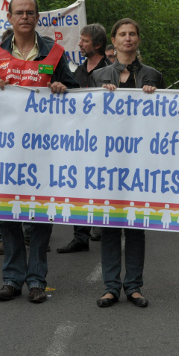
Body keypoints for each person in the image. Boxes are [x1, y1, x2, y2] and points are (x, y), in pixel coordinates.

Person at [0, 0, 78, 303]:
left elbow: (76, 92)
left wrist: (63, 87)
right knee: (8, 217)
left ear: (37, 18)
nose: (25, 16)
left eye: (30, 12)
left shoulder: (55, 53)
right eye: (19, 12)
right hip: (6, 149)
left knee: (40, 218)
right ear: (9, 18)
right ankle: (11, 278)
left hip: (44, 149)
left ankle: (36, 281)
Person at [90, 18, 164, 308]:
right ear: (114, 40)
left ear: (138, 39)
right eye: (122, 34)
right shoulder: (99, 76)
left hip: (140, 162)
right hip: (107, 161)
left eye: (133, 33)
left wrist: (154, 99)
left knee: (135, 227)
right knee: (109, 224)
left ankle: (134, 286)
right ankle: (111, 287)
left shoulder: (153, 75)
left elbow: (165, 117)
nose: (128, 38)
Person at [57, 23, 111, 254]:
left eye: (84, 40)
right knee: (79, 186)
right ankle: (80, 236)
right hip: (80, 139)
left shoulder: (111, 71)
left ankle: (104, 227)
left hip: (105, 140)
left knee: (103, 185)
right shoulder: (76, 72)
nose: (79, 44)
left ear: (97, 44)